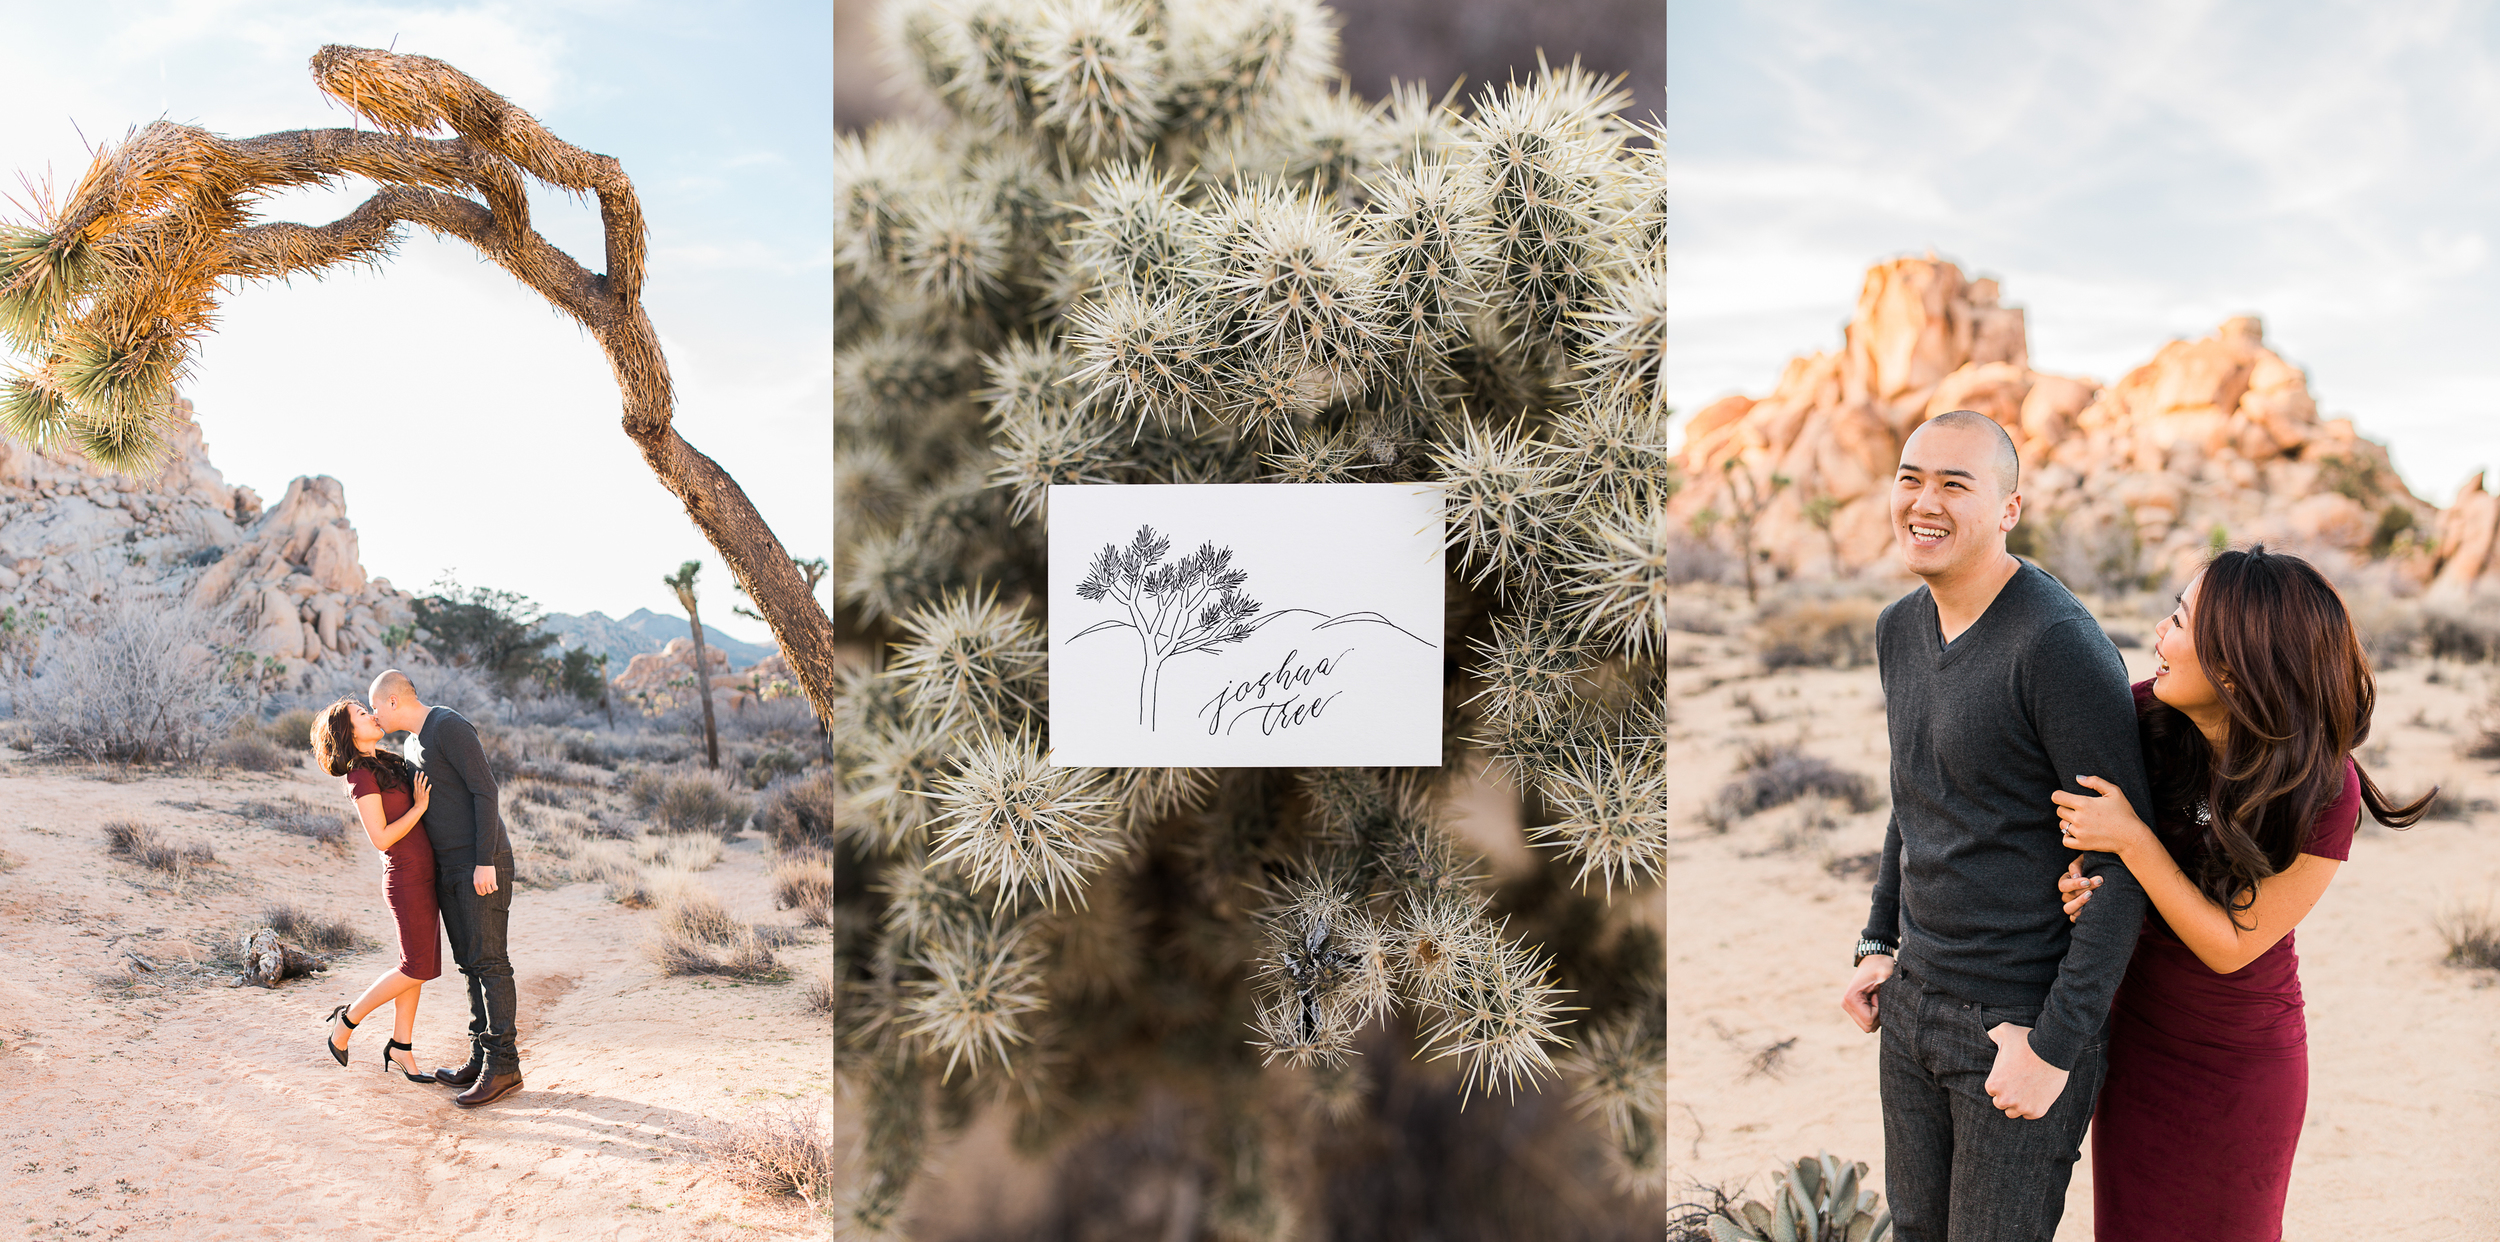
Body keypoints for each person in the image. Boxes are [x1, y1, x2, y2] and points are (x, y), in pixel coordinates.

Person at [1836, 409, 2152, 1242]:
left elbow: (2122, 867)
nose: (1923, 501)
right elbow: (1915, 796)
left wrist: (2053, 1048)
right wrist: (1878, 944)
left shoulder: (2059, 646)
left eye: (1954, 483)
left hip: (2017, 1018)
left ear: (2009, 510)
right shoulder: (1898, 628)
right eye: (1910, 478)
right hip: (1911, 1007)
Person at [2050, 547, 2430, 1241]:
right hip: (2134, 1042)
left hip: (2240, 1063)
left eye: (2178, 621)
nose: (2157, 636)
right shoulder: (2141, 718)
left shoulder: (2321, 788)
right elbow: (2063, 837)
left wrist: (2134, 842)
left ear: (2233, 664)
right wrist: (2083, 884)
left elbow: (2230, 948)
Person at [370, 669, 524, 1108]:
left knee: (491, 963)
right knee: (470, 965)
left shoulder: (449, 726)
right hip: (450, 870)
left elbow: (485, 791)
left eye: (377, 706)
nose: (376, 715)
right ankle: (480, 1056)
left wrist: (483, 862)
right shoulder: (411, 744)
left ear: (394, 701)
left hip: (480, 865)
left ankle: (504, 1066)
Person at [311, 698, 440, 1082]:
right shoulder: (359, 777)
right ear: (349, 732)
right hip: (405, 878)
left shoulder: (386, 761)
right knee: (415, 967)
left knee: (419, 968)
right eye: (363, 714)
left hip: (425, 875)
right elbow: (381, 838)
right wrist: (418, 809)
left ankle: (401, 1048)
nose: (372, 714)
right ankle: (346, 1020)